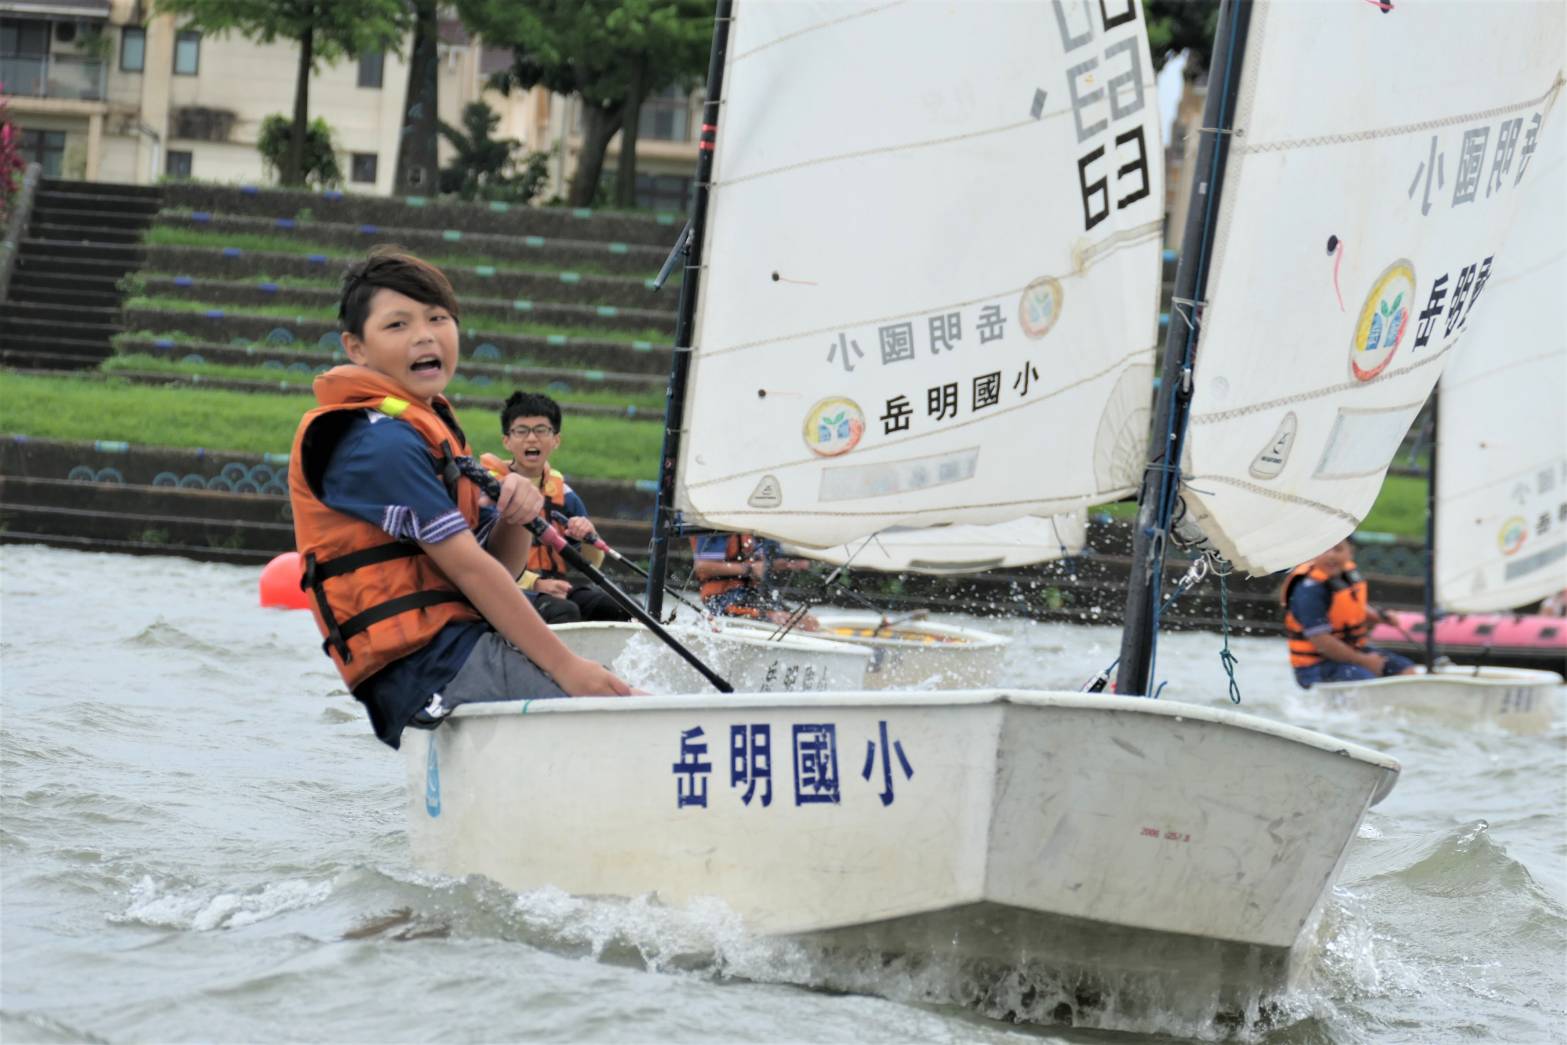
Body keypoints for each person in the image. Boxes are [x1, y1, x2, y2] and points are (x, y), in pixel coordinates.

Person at [287, 247, 632, 749]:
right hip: (424, 666)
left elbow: (499, 568)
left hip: (454, 645)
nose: (424, 335)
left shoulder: (426, 427)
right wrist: (568, 669)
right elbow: (471, 569)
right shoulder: (375, 442)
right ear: (355, 348)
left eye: (437, 318)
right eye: (398, 325)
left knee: (624, 689)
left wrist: (518, 513)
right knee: (624, 706)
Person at [480, 391, 630, 626]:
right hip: (506, 592)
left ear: (555, 440)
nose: (532, 439)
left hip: (558, 588)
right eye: (521, 431)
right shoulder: (487, 491)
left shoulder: (566, 496)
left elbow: (592, 562)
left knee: (623, 607)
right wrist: (535, 584)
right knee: (563, 612)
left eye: (541, 430)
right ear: (506, 441)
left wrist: (589, 537)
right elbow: (478, 557)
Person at [1281, 538, 1416, 688]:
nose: (1330, 556)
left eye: (1338, 549)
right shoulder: (1308, 590)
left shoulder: (1347, 574)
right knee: (1367, 681)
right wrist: (1365, 661)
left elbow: (1350, 609)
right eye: (1324, 549)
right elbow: (1321, 641)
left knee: (1406, 669)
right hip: (1316, 665)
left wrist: (1379, 617)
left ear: (1350, 552)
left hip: (1352, 652)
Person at [691, 533, 818, 628]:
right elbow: (702, 566)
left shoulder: (753, 531)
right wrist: (748, 569)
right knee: (788, 621)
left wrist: (787, 563)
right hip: (722, 600)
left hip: (751, 595)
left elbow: (761, 566)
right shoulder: (719, 528)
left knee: (808, 622)